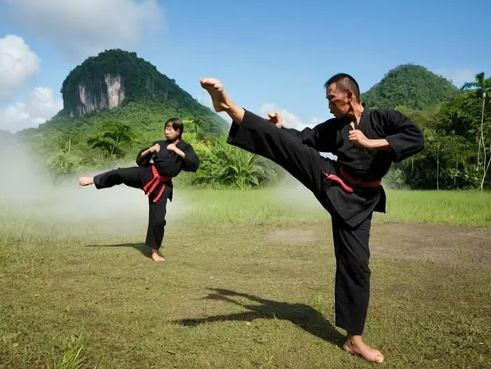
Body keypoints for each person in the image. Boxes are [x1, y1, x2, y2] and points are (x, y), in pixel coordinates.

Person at [199, 74, 424, 364]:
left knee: (356, 266)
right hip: (331, 179)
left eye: (332, 99)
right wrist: (280, 128)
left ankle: (354, 340)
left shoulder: (383, 119)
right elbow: (304, 138)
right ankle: (229, 106)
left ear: (350, 96)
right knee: (292, 149)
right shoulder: (335, 127)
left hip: (361, 201)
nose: (329, 106)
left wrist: (370, 143)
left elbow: (415, 138)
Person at [78, 118, 201, 262]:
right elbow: (140, 160)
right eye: (165, 128)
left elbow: (194, 163)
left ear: (178, 131)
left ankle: (154, 252)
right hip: (147, 174)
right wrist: (150, 150)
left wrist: (177, 151)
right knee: (120, 173)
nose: (166, 131)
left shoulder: (185, 147)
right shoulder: (159, 144)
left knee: (158, 219)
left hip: (162, 186)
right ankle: (94, 180)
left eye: (170, 129)